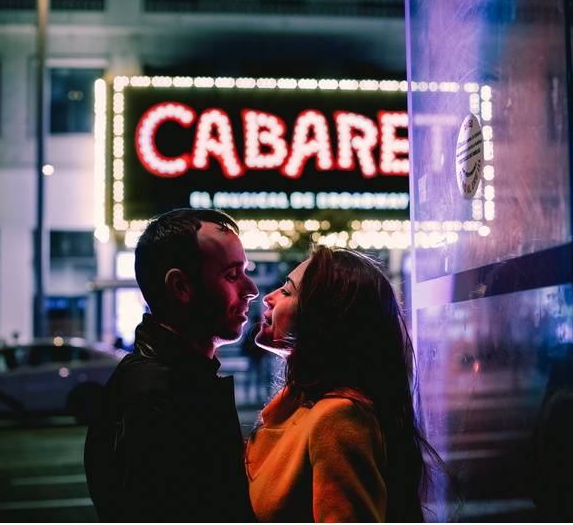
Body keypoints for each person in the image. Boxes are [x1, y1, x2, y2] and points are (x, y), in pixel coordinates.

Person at [84, 208, 259, 522]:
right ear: (180, 287)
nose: (251, 290)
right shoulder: (155, 398)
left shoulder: (179, 379)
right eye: (232, 275)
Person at [246, 246, 437, 522]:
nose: (269, 298)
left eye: (287, 292)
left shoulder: (337, 417)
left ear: (322, 320)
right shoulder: (302, 403)